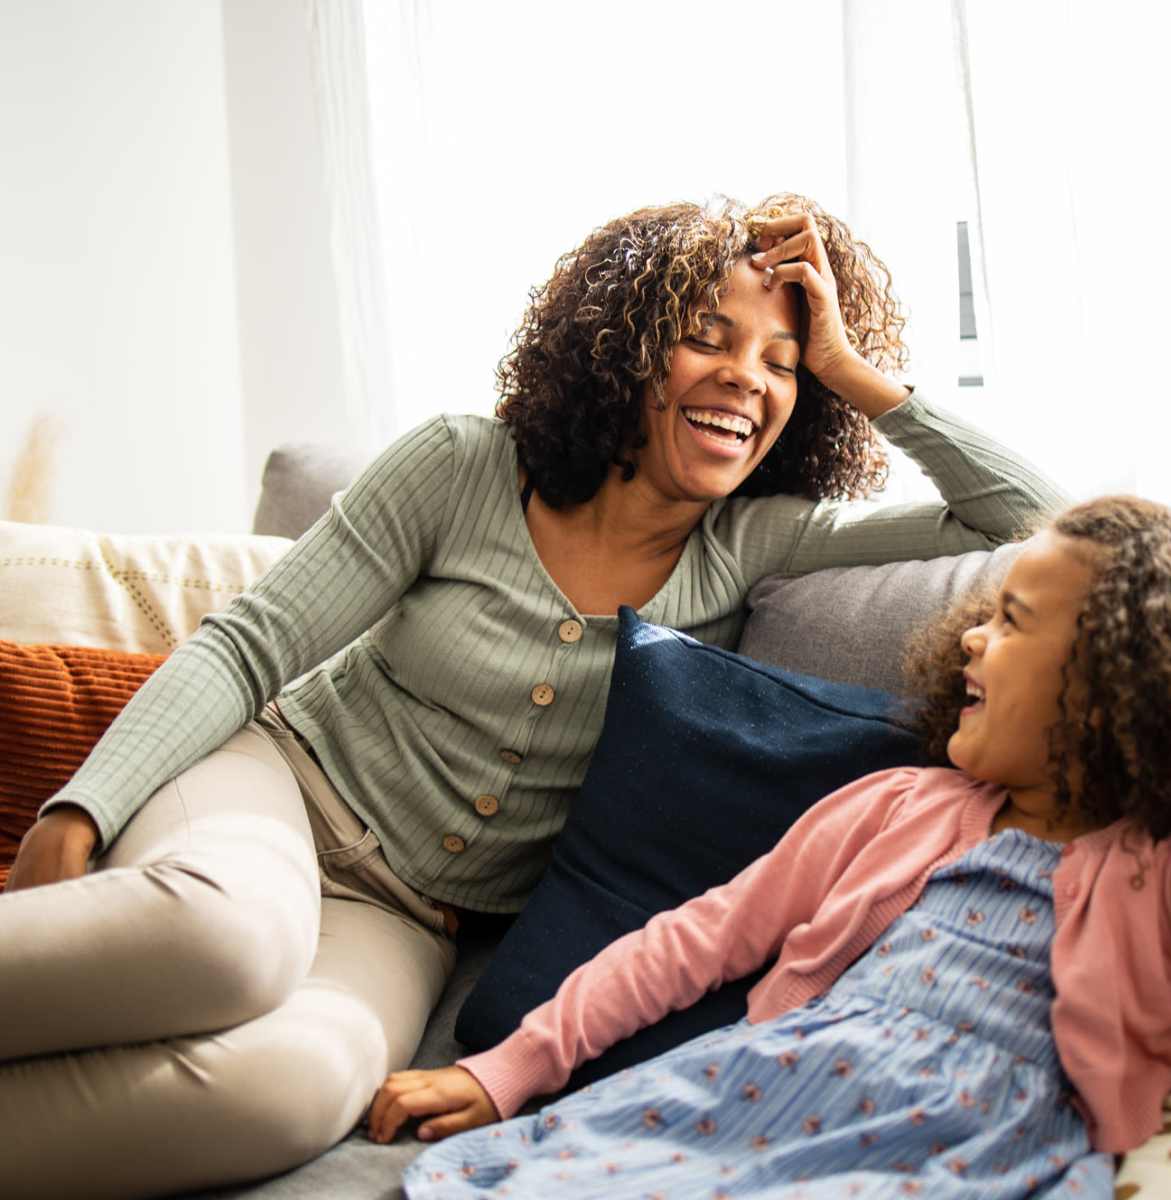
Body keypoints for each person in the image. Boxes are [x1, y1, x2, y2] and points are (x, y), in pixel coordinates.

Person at [0, 195, 1066, 1199]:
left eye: (781, 365)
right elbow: (250, 646)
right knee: (228, 942)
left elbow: (1037, 519)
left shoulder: (757, 543)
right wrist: (84, 806)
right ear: (628, 349)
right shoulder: (462, 466)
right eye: (709, 335)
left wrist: (850, 368)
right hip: (280, 787)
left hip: (408, 917)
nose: (747, 378)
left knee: (300, 1084)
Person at [378, 497, 1171, 1200]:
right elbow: (694, 942)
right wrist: (511, 1065)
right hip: (772, 1086)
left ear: (1123, 681)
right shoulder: (894, 806)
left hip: (987, 1147)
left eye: (1012, 622)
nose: (969, 634)